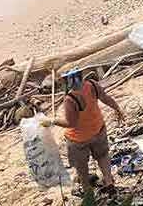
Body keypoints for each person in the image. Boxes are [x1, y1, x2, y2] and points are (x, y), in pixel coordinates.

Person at [45, 69, 124, 197]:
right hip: (97, 129)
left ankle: (87, 191)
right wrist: (117, 108)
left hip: (78, 139)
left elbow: (71, 123)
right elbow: (105, 98)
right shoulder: (92, 85)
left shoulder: (70, 99)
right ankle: (109, 182)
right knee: (103, 156)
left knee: (81, 166)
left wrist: (52, 121)